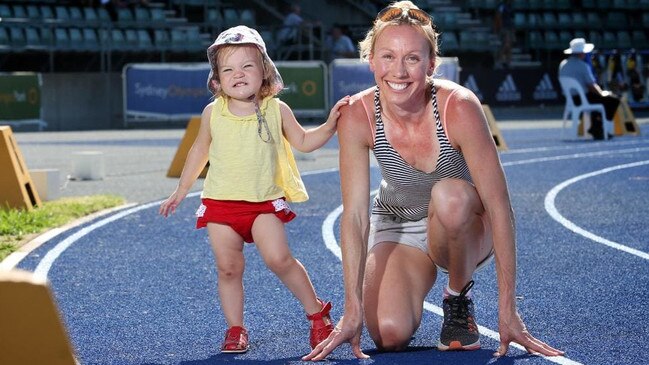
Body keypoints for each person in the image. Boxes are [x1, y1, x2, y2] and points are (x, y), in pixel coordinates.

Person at [303, 1, 564, 361]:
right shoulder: (357, 115)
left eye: (412, 58)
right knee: (389, 335)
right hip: (399, 223)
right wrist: (352, 310)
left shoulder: (458, 106)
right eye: (388, 57)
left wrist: (509, 309)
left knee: (449, 197)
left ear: (431, 64)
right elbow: (355, 217)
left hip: (463, 224)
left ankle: (457, 297)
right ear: (372, 62)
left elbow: (500, 207)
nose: (399, 70)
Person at [159, 25, 350, 354]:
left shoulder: (276, 109)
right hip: (220, 204)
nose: (238, 74)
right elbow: (198, 152)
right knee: (228, 268)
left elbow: (304, 141)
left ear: (264, 71)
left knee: (279, 259)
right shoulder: (212, 112)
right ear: (216, 78)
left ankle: (317, 314)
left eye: (247, 66)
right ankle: (236, 328)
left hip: (263, 204)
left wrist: (330, 124)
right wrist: (180, 190)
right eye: (228, 69)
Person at [559, 38, 620, 140]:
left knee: (597, 101)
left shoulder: (563, 65)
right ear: (582, 53)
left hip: (571, 99)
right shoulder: (583, 66)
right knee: (612, 101)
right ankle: (597, 127)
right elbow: (591, 86)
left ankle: (596, 127)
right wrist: (602, 94)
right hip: (583, 98)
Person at [493, 0, 514, 69]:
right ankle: (499, 60)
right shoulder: (502, 6)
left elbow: (511, 18)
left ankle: (508, 62)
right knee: (506, 44)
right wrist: (500, 27)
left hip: (509, 28)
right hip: (504, 28)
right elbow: (498, 16)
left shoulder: (510, 6)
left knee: (509, 46)